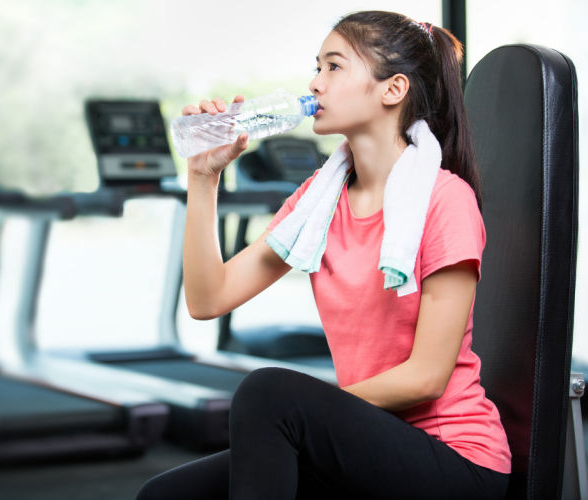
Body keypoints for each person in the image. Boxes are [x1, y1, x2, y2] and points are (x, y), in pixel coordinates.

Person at [137, 10, 511, 500]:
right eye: (317, 67)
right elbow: (209, 299)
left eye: (334, 67)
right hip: (367, 438)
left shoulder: (445, 199)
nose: (314, 84)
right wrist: (204, 179)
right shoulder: (319, 201)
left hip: (455, 459)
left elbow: (427, 376)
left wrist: (310, 414)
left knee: (269, 395)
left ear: (392, 89)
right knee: (165, 496)